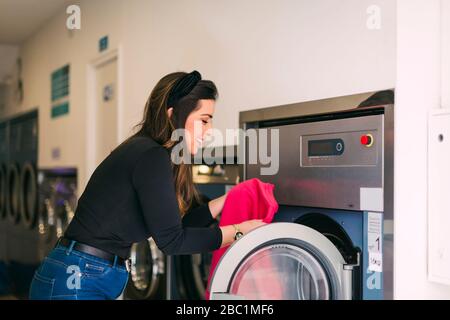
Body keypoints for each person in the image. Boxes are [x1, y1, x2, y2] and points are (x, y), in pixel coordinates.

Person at [29, 70, 265, 300]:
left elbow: (176, 226)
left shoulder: (150, 152)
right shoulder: (151, 156)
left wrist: (227, 200)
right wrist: (238, 232)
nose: (209, 131)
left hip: (84, 273)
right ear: (174, 115)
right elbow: (173, 242)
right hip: (77, 279)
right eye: (203, 120)